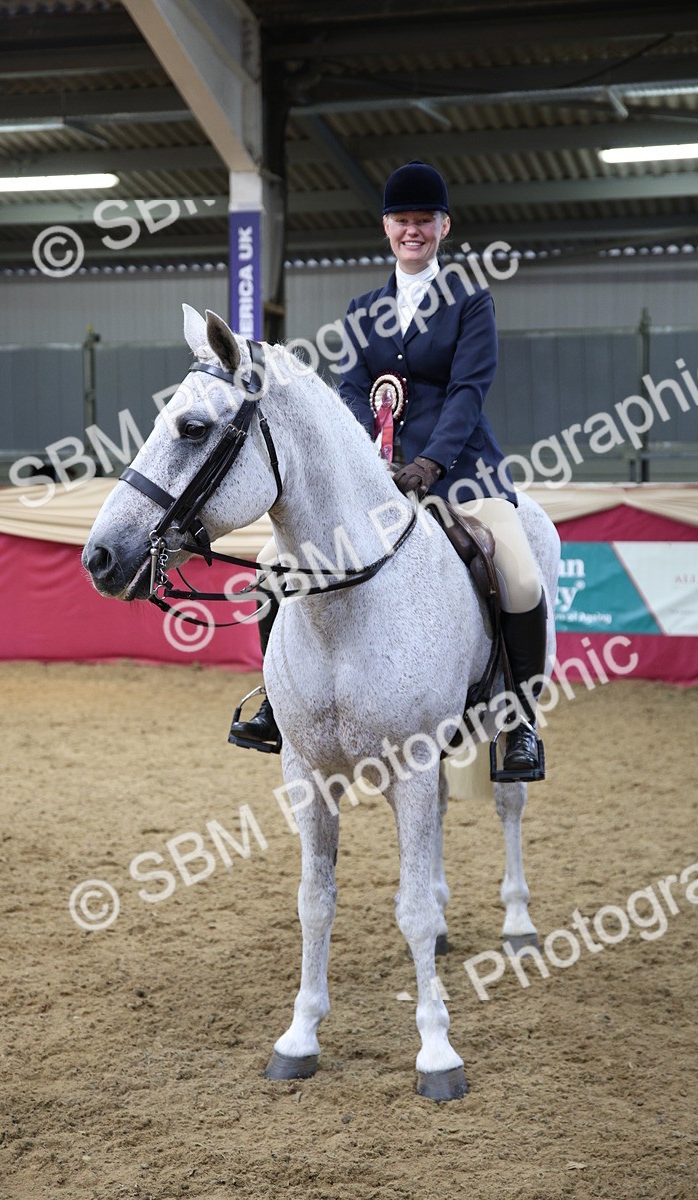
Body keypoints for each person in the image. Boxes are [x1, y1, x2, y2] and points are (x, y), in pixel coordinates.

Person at [230, 160, 546, 779]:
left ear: (443, 227)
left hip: (465, 473)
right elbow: (348, 389)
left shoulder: (470, 301)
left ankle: (518, 723)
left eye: (423, 220)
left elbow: (468, 391)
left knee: (520, 578)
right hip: (376, 478)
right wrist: (368, 456)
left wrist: (429, 464)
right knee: (272, 571)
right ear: (386, 228)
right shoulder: (365, 308)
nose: (412, 230)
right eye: (402, 220)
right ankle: (278, 704)